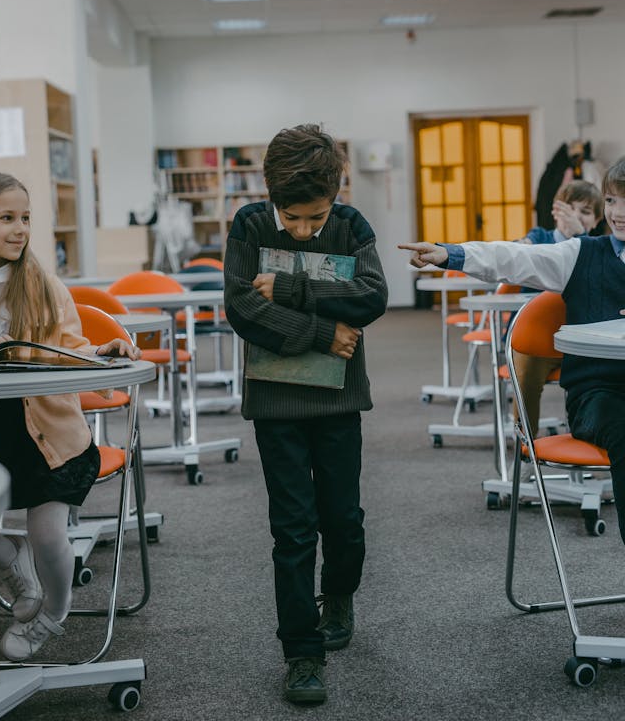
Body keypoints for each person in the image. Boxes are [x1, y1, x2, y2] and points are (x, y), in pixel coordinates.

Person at [224, 124, 388, 705]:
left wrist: (291, 289)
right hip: (276, 403)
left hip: (339, 401)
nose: (301, 229)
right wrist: (324, 331)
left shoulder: (351, 225)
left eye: (312, 219)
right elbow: (242, 305)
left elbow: (371, 296)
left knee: (343, 520)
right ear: (272, 197)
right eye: (290, 218)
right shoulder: (247, 224)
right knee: (292, 529)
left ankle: (338, 595)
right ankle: (301, 653)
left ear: (335, 197)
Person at [399, 155, 625, 542]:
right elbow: (513, 257)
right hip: (598, 395)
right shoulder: (580, 253)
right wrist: (450, 254)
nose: (617, 213)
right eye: (611, 201)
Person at [0, 171, 140, 661]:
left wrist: (104, 351)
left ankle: (54, 610)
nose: (20, 229)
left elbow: (71, 348)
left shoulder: (41, 286)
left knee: (48, 532)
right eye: (6, 217)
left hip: (48, 433)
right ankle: (14, 571)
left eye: (25, 218)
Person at [512, 179, 604, 436]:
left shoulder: (597, 248)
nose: (575, 216)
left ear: (597, 221)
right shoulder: (539, 237)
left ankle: (594, 437)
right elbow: (521, 252)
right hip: (538, 343)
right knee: (526, 372)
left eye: (585, 212)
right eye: (570, 208)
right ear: (556, 210)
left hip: (582, 344)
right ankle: (526, 442)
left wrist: (580, 236)